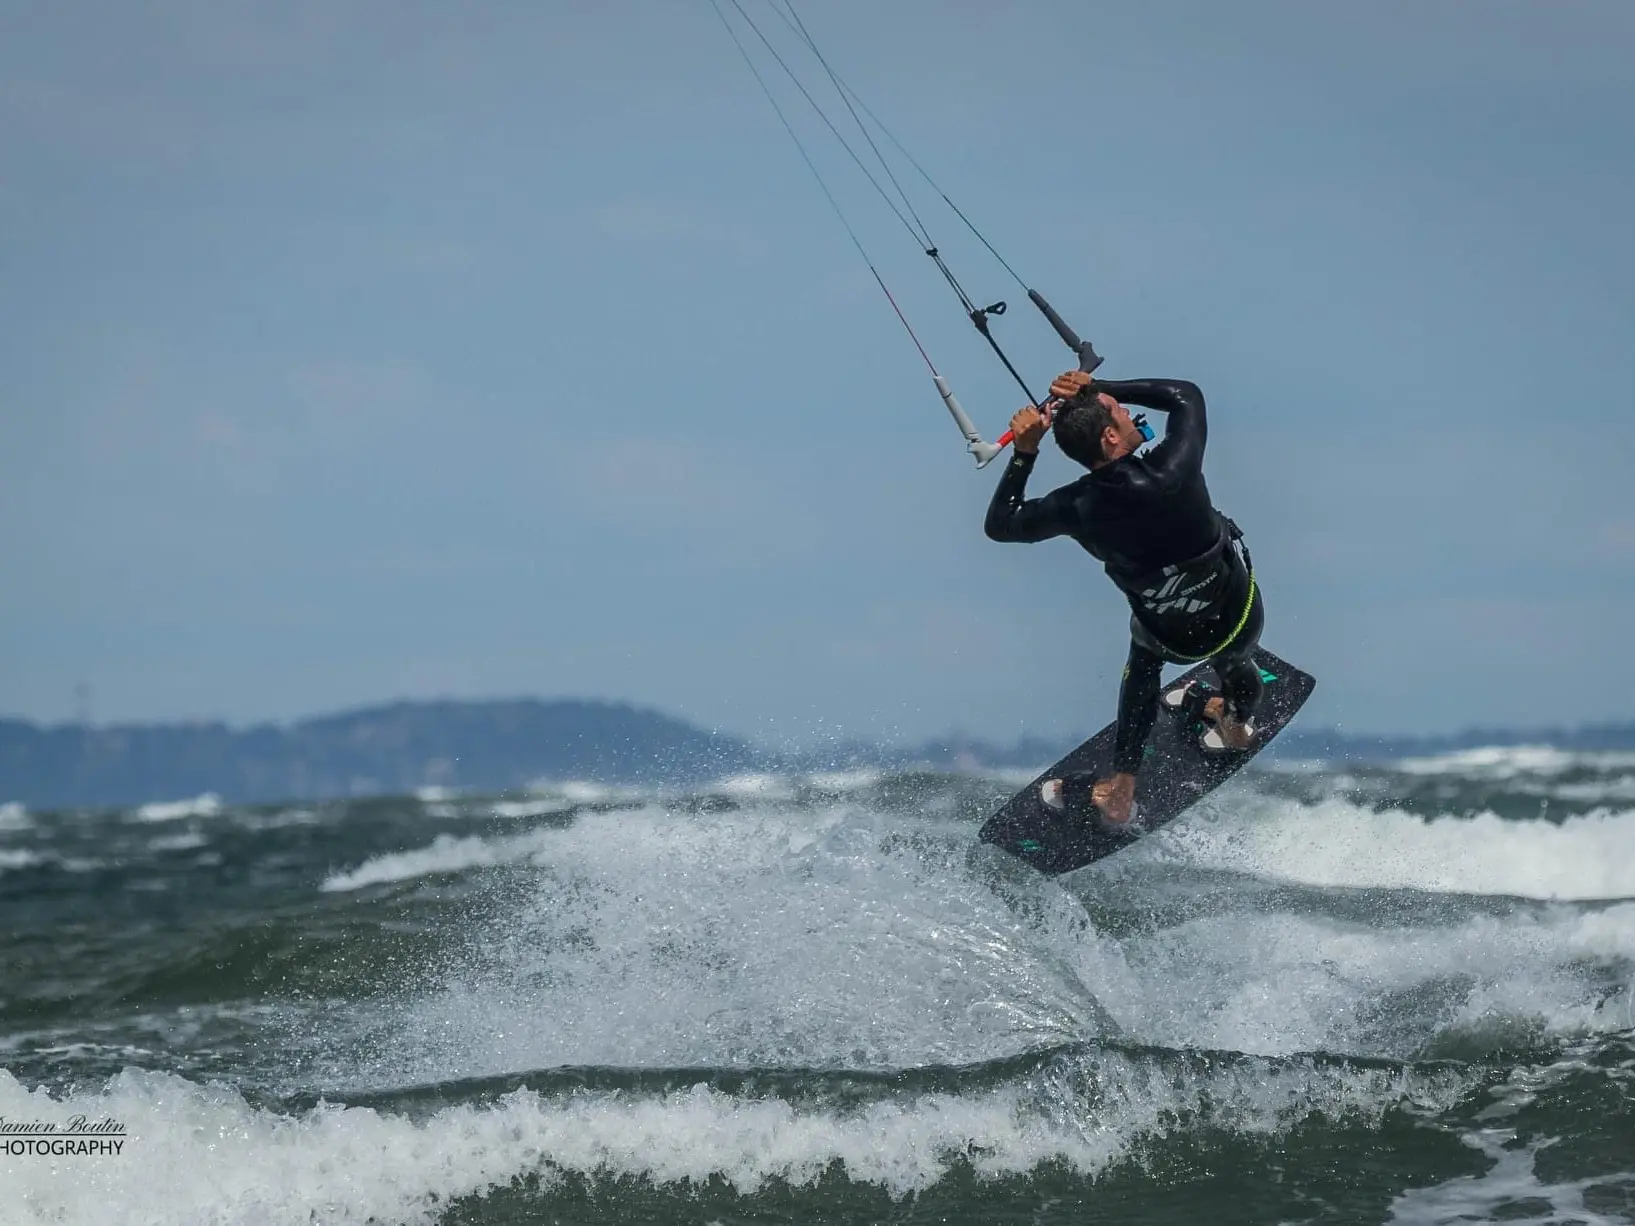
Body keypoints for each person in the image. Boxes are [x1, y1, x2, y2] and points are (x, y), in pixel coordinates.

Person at [983, 369, 1264, 827]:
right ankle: (1233, 724)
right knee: (1236, 661)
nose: (1127, 411)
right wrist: (1098, 387)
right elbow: (1186, 395)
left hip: (1169, 639)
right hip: (1238, 616)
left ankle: (1121, 787)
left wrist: (1025, 451)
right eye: (1118, 410)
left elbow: (1000, 525)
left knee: (1143, 663)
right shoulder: (1175, 468)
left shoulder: (1073, 507)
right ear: (1112, 435)